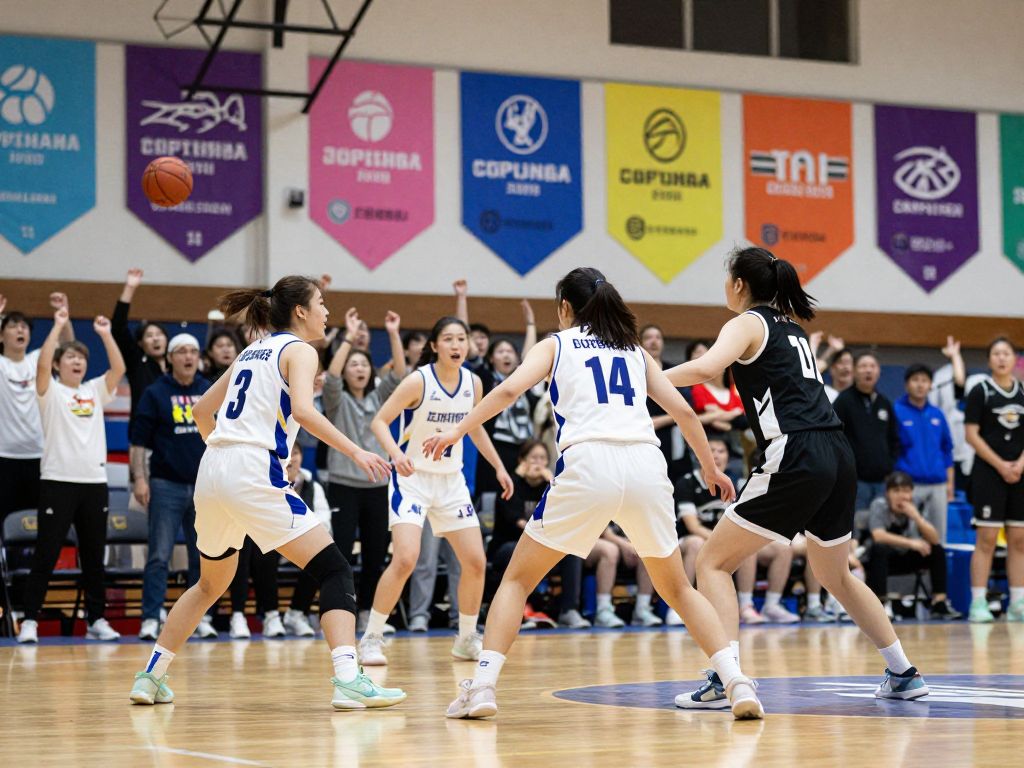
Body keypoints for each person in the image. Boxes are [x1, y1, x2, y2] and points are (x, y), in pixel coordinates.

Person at [431, 267, 762, 721]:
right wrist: (709, 467)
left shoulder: (557, 343)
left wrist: (455, 434)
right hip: (646, 466)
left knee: (515, 580)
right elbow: (685, 410)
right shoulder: (635, 350)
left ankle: (483, 688)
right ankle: (736, 681)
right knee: (680, 589)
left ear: (565, 309)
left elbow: (508, 389)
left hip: (588, 464)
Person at [664, 246, 929, 708]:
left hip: (797, 450)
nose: (725, 287)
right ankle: (903, 672)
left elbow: (707, 369)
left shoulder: (746, 322)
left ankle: (727, 679)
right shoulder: (791, 327)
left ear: (740, 285)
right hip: (835, 450)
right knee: (836, 574)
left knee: (712, 563)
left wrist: (645, 377)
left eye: (727, 279)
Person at [127, 275, 404, 710]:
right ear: (300, 311)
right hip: (252, 468)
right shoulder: (300, 350)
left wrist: (225, 459)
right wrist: (355, 450)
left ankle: (150, 678)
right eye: (321, 303)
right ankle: (349, 678)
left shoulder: (250, 352)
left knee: (208, 584)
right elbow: (303, 412)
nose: (326, 311)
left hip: (213, 467)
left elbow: (202, 410)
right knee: (335, 570)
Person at [358, 317, 514, 667]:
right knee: (406, 558)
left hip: (451, 482)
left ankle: (465, 638)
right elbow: (380, 421)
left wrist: (499, 466)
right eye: (448, 339)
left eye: (462, 338)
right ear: (434, 345)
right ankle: (370, 638)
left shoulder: (473, 383)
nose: (457, 345)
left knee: (475, 561)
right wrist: (396, 455)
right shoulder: (419, 381)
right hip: (412, 479)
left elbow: (475, 430)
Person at [17, 308, 126, 644]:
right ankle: (30, 620)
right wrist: (58, 327)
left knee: (95, 557)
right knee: (46, 553)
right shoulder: (48, 391)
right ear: (58, 365)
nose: (77, 362)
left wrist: (106, 334)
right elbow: (40, 363)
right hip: (57, 482)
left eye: (81, 358)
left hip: (94, 485)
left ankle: (96, 620)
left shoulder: (95, 389)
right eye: (70, 357)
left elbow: (119, 369)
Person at [322, 307, 406, 631]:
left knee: (374, 556)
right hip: (343, 484)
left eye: (363, 364)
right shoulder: (336, 399)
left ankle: (371, 613)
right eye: (353, 365)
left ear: (371, 371)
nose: (358, 368)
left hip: (377, 486)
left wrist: (394, 333)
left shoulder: (381, 396)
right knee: (341, 553)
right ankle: (345, 613)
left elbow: (399, 375)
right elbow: (330, 377)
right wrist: (347, 338)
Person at [131, 333, 213, 641]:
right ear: (170, 358)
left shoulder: (208, 390)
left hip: (205, 487)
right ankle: (151, 617)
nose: (188, 357)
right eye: (181, 352)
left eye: (193, 351)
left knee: (203, 557)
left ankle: (199, 620)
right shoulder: (155, 393)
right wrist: (139, 478)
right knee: (159, 556)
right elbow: (138, 442)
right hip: (165, 484)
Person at [489, 439, 593, 629]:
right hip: (507, 545)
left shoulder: (550, 486)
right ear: (522, 461)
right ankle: (523, 609)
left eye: (542, 459)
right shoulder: (510, 484)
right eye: (533, 458)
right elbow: (518, 521)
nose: (538, 463)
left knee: (571, 553)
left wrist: (551, 482)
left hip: (543, 543)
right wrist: (517, 478)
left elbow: (564, 516)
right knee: (515, 550)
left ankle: (569, 611)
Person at [229, 441, 326, 639]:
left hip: (301, 541)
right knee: (259, 552)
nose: (291, 457)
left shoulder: (313, 486)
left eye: (296, 452)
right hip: (271, 542)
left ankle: (297, 614)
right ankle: (270, 615)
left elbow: (324, 522)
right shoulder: (266, 483)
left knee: (322, 556)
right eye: (287, 453)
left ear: (301, 457)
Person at [964, 337, 1024, 623]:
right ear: (989, 360)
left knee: (1019, 540)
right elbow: (971, 435)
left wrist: (1019, 464)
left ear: (1014, 359)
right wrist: (1001, 465)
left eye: (1006, 353)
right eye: (996, 353)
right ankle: (978, 602)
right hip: (989, 474)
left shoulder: (1023, 392)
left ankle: (1017, 602)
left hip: (1020, 474)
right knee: (986, 539)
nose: (1001, 358)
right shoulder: (980, 391)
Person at [0, 292, 72, 524]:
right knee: (6, 522)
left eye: (24, 327)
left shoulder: (37, 361)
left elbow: (68, 345)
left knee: (37, 521)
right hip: (4, 457)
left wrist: (64, 313)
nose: (21, 330)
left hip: (40, 456)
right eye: (13, 326)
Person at [866, 472, 960, 620]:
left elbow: (935, 538)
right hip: (885, 560)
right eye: (896, 491)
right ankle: (881, 605)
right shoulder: (879, 505)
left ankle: (939, 603)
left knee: (937, 550)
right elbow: (878, 535)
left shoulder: (917, 504)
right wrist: (911, 543)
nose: (902, 496)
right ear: (887, 493)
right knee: (879, 548)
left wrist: (917, 517)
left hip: (908, 557)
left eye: (906, 491)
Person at [832, 351, 901, 513]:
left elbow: (894, 439)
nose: (868, 370)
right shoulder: (843, 401)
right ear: (854, 371)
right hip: (855, 481)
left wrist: (889, 467)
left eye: (872, 366)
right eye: (863, 366)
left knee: (878, 530)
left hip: (882, 481)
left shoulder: (884, 403)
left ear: (879, 371)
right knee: (855, 528)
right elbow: (834, 438)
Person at [894, 364, 955, 542]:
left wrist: (950, 484)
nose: (920, 385)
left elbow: (947, 450)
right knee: (911, 534)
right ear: (907, 385)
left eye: (924, 381)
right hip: (909, 485)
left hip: (938, 484)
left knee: (938, 536)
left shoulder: (938, 414)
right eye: (915, 380)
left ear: (930, 385)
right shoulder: (896, 411)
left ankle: (937, 570)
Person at [112, 268, 168, 434]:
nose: (156, 338)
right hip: (143, 435)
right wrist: (129, 288)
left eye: (159, 334)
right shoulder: (137, 363)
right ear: (141, 343)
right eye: (149, 336)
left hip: (172, 437)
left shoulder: (177, 366)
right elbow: (118, 328)